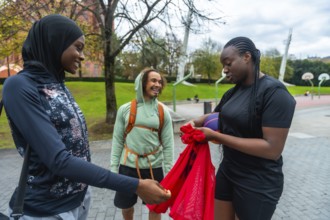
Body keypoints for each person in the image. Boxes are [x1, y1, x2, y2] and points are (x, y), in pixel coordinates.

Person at [1, 14, 170, 220]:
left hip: (80, 200)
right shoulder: (19, 86)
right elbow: (59, 160)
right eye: (78, 47)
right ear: (55, 42)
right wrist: (134, 185)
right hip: (45, 210)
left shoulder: (58, 85)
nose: (82, 56)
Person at [188, 36, 296, 220]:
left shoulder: (274, 93)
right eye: (223, 65)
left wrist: (217, 137)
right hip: (229, 171)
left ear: (247, 57)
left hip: (258, 182)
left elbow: (272, 149)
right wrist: (197, 121)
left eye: (228, 63)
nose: (224, 69)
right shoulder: (233, 92)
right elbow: (218, 116)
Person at [110, 67, 174, 220]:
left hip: (154, 167)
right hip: (127, 167)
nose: (157, 84)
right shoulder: (125, 109)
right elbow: (118, 140)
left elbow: (169, 144)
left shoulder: (163, 111)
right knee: (125, 206)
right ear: (142, 82)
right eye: (153, 80)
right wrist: (113, 168)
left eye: (159, 81)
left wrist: (169, 171)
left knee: (155, 207)